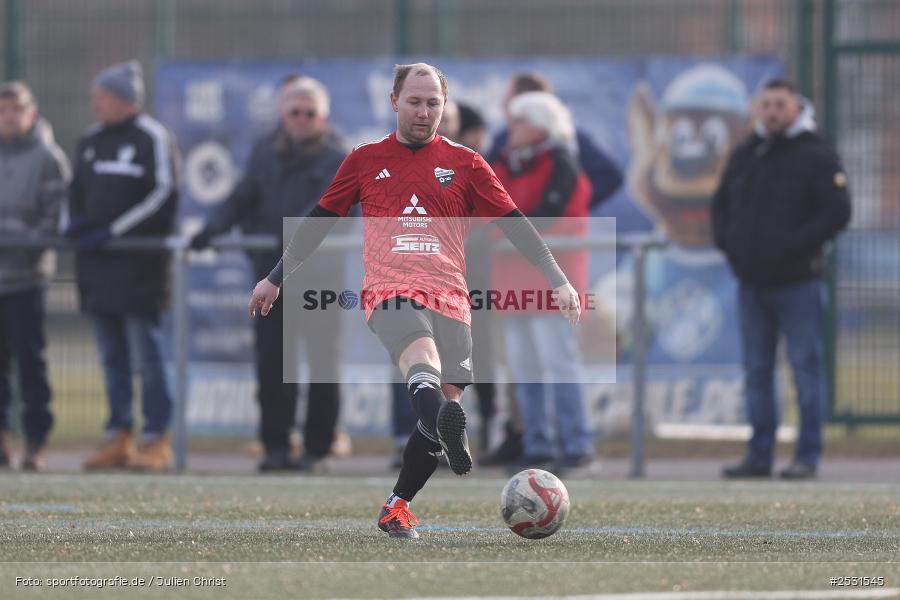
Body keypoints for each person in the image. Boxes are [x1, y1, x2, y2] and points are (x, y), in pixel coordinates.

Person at [248, 62, 581, 539]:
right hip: (390, 290)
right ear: (394, 102)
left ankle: (397, 504)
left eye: (433, 103)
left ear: (445, 108)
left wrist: (557, 279)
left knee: (440, 404)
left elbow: (515, 223)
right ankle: (453, 431)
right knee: (420, 358)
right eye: (415, 102)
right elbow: (318, 221)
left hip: (451, 297)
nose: (424, 112)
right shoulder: (364, 160)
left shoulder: (466, 163)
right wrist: (275, 279)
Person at [191, 77, 347, 473]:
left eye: (310, 112)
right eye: (295, 111)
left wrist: (284, 244)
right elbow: (241, 198)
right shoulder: (266, 151)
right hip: (271, 281)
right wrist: (210, 229)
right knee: (272, 364)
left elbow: (325, 213)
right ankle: (275, 447)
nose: (301, 119)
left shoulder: (338, 157)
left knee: (322, 365)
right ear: (283, 114)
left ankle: (316, 450)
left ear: (323, 116)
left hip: (319, 279)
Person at [713, 79, 851, 480]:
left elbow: (837, 211)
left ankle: (807, 456)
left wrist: (794, 247)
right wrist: (732, 247)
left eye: (780, 105)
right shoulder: (747, 154)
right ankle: (759, 456)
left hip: (798, 283)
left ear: (795, 108)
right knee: (757, 372)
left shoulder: (817, 154)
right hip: (752, 283)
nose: (772, 112)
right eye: (766, 104)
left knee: (805, 368)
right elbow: (721, 205)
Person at [67, 61, 180, 472]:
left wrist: (113, 230)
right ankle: (118, 436)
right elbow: (75, 191)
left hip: (139, 271)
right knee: (111, 358)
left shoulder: (152, 136)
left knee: (147, 357)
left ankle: (156, 439)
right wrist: (74, 224)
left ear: (124, 100)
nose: (96, 104)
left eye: (103, 96)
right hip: (97, 269)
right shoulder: (90, 140)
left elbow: (164, 193)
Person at [490, 91, 595, 472]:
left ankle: (577, 444)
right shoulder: (504, 164)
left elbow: (547, 217)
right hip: (513, 281)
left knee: (560, 363)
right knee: (524, 367)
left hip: (553, 283)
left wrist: (504, 232)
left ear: (540, 126)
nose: (511, 128)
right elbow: (491, 213)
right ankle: (538, 444)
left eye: (519, 121)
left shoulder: (562, 162)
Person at [0, 81, 69, 471]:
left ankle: (36, 443)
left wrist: (18, 244)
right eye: (2, 109)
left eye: (15, 109)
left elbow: (54, 220)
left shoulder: (48, 158)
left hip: (26, 280)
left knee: (31, 365)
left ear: (31, 113)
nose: (8, 117)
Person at [485, 72, 623, 211]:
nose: (503, 104)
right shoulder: (504, 145)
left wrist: (568, 200)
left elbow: (609, 175)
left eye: (508, 97)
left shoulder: (565, 148)